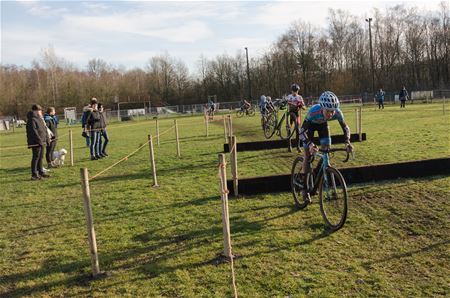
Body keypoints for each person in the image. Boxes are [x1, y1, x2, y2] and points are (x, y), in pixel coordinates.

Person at [299, 91, 353, 202]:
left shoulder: (337, 112)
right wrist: (310, 144)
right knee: (308, 156)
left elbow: (346, 128)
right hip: (309, 129)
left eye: (332, 111)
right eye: (328, 111)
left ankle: (317, 175)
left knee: (326, 152)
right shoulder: (313, 112)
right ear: (322, 108)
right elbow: (301, 132)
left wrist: (347, 142)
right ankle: (304, 189)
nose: (330, 114)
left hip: (323, 127)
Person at [26, 104, 50, 180]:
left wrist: (47, 139)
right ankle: (34, 174)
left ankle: (41, 172)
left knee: (41, 157)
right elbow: (34, 131)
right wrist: (39, 141)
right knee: (36, 157)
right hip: (36, 142)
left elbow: (44, 129)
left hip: (42, 141)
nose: (41, 112)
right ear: (35, 111)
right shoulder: (31, 119)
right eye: (40, 110)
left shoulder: (40, 119)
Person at [287, 83, 306, 151]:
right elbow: (289, 103)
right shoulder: (289, 96)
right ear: (291, 91)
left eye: (296, 91)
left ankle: (298, 146)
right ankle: (289, 146)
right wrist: (295, 104)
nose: (295, 92)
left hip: (297, 114)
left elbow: (304, 107)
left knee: (298, 130)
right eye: (293, 91)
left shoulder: (299, 97)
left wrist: (301, 105)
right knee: (289, 129)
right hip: (290, 114)